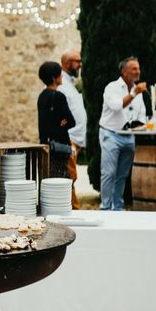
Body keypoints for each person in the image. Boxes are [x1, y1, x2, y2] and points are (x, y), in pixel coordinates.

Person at [98, 56, 147, 211]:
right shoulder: (111, 87)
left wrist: (140, 124)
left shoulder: (137, 90)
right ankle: (105, 208)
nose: (138, 71)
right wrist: (133, 94)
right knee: (109, 173)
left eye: (138, 68)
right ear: (124, 71)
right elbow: (117, 106)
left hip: (129, 136)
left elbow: (142, 114)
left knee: (122, 175)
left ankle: (117, 208)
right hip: (110, 134)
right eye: (134, 68)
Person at [58, 50, 87, 209]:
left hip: (76, 139)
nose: (80, 64)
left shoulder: (69, 83)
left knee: (71, 177)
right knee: (70, 177)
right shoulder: (61, 83)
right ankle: (73, 209)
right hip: (69, 138)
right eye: (78, 61)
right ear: (68, 63)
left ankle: (72, 208)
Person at [37, 61, 76, 178]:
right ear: (54, 78)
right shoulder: (58, 96)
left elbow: (46, 122)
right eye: (60, 74)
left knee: (49, 180)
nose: (62, 76)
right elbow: (71, 121)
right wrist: (61, 124)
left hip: (46, 145)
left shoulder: (42, 96)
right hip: (59, 147)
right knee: (62, 181)